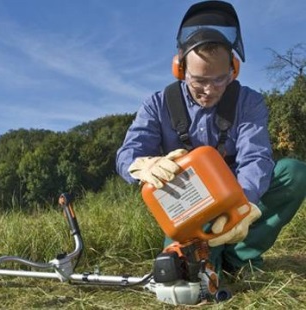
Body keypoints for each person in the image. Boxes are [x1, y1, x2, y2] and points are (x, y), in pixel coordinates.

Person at [116, 0, 306, 277]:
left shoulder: (249, 101)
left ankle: (242, 257)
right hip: (188, 205)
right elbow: (128, 152)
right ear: (180, 70)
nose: (209, 90)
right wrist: (141, 165)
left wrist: (242, 207)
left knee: (294, 173)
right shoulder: (156, 105)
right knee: (189, 277)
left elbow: (256, 156)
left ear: (233, 70)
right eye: (198, 81)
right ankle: (210, 260)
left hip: (236, 194)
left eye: (219, 80)